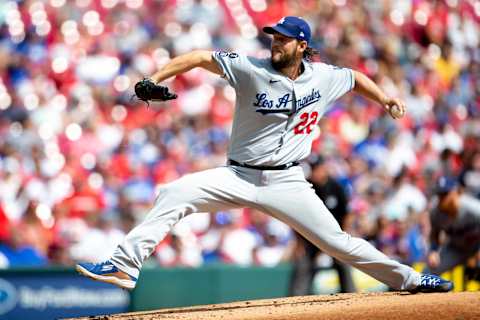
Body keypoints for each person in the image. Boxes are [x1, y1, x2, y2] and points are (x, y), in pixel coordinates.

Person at [76, 16, 452, 293]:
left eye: (285, 39)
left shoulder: (323, 76)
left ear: (302, 46)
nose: (276, 43)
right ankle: (125, 266)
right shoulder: (250, 69)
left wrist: (385, 98)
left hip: (287, 180)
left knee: (338, 242)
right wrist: (157, 78)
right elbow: (197, 56)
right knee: (174, 193)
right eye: (274, 36)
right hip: (236, 176)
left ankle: (412, 279)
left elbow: (354, 77)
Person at [289, 155, 356, 295]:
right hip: (311, 237)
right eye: (313, 169)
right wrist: (299, 242)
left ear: (324, 168)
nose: (315, 172)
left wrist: (343, 236)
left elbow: (348, 214)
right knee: (303, 264)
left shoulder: (336, 186)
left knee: (343, 261)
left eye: (317, 168)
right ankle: (295, 301)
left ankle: (351, 296)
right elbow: (294, 216)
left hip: (334, 236)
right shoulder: (306, 187)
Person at [426, 176, 480, 275]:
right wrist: (433, 250)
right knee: (427, 273)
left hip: (476, 247)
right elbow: (435, 233)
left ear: (455, 192)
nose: (441, 198)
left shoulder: (473, 207)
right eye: (439, 194)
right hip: (456, 249)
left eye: (445, 194)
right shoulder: (436, 212)